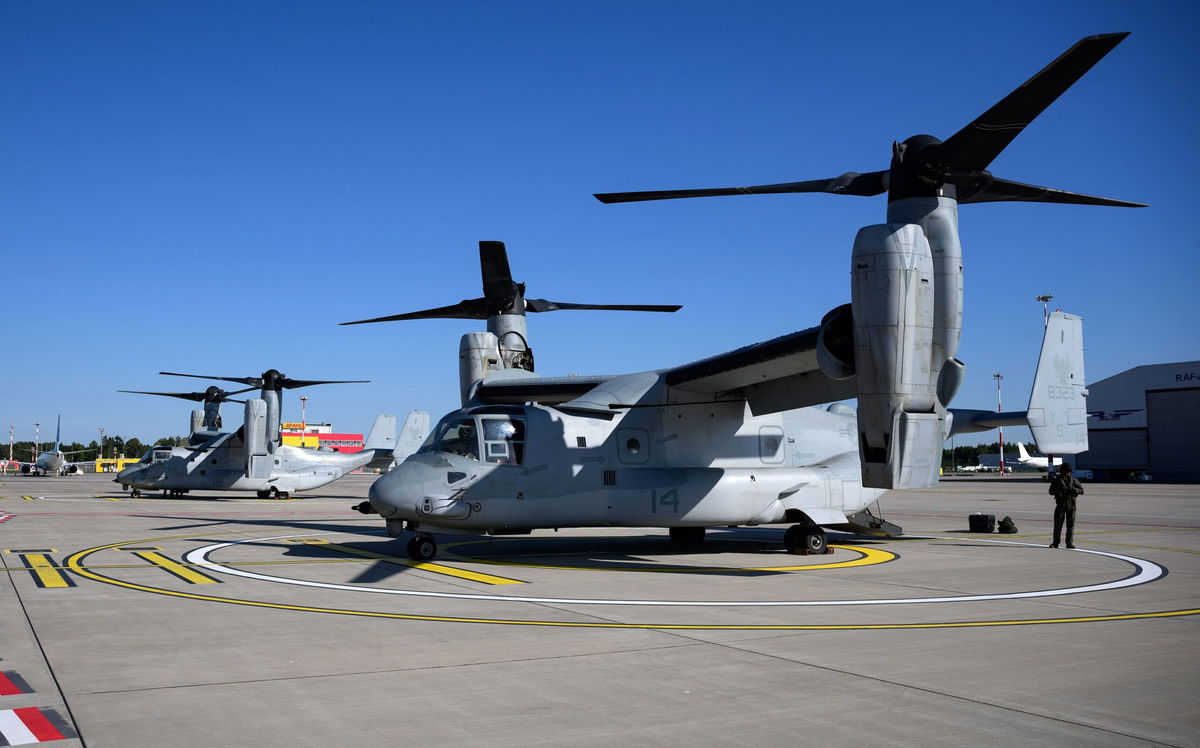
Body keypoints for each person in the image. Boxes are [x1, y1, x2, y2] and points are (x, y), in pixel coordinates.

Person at [1048, 463, 1084, 548]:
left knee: (1070, 525)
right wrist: (1059, 490)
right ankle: (1055, 542)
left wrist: (1073, 490)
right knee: (1058, 525)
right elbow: (1050, 491)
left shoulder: (1074, 481)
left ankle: (1069, 543)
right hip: (1060, 504)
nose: (1067, 473)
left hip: (1071, 504)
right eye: (1066, 472)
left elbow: (1081, 491)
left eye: (1068, 472)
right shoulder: (1056, 480)